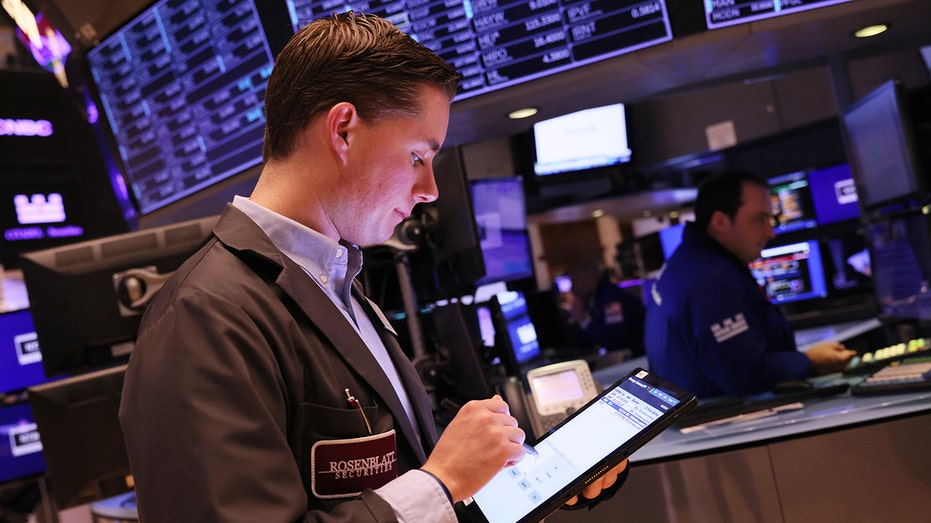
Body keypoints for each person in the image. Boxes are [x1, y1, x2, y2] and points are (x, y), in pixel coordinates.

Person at [119, 12, 624, 522]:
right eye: (416, 157)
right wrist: (444, 479)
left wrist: (530, 479)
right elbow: (426, 492)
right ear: (343, 130)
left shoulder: (341, 287)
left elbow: (411, 498)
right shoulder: (201, 315)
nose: (431, 189)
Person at [644, 169, 856, 398]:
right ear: (720, 222)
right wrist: (809, 361)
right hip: (725, 422)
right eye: (760, 219)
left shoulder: (688, 262)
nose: (771, 232)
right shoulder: (709, 279)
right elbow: (745, 374)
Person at [563, 258, 646, 356]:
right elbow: (582, 344)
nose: (572, 289)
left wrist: (583, 319)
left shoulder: (611, 299)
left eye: (574, 281)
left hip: (638, 358)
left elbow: (614, 340)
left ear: (588, 278)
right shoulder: (593, 300)